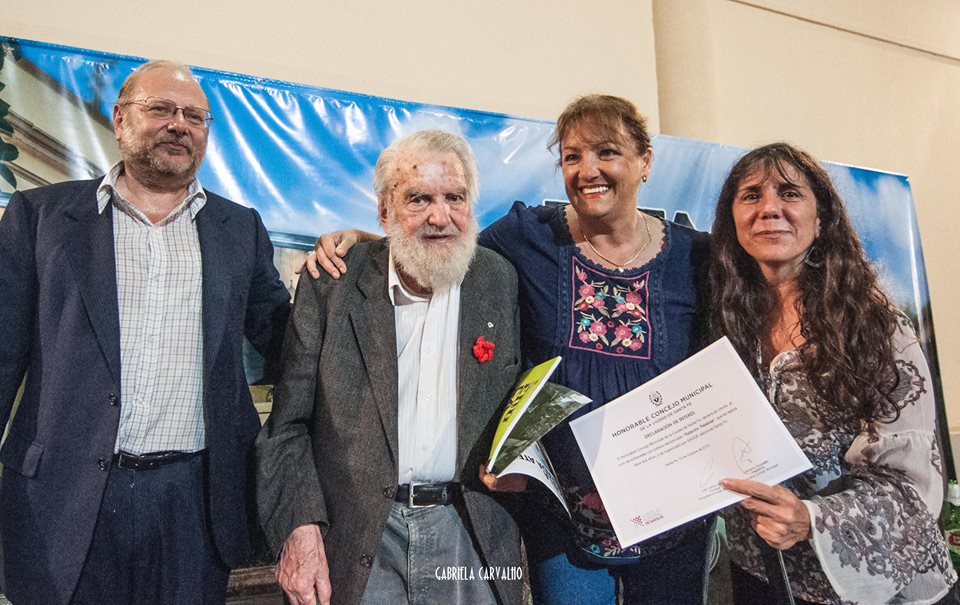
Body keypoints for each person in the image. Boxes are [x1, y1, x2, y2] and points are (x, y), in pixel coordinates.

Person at [305, 95, 712, 605]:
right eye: (571, 156)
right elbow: (441, 243)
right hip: (563, 520)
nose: (588, 170)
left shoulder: (699, 258)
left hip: (671, 514)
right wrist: (369, 244)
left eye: (606, 152)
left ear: (644, 160)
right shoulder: (527, 236)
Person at [0, 60, 291, 604]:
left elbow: (286, 344)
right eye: (160, 109)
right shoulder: (39, 217)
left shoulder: (239, 229)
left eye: (194, 116)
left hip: (195, 503)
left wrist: (354, 264)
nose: (178, 124)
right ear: (120, 119)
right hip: (65, 497)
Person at [254, 129, 523, 605]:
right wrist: (299, 529)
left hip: (469, 533)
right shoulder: (332, 283)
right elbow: (288, 425)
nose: (441, 216)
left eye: (454, 197)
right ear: (384, 210)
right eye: (419, 199)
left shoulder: (498, 280)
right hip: (356, 535)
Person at [711, 143, 957, 604]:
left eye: (789, 193)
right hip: (765, 577)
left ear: (821, 220)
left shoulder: (876, 326)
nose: (769, 209)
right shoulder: (727, 321)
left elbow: (914, 486)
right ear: (732, 220)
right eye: (750, 196)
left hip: (882, 589)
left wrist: (812, 519)